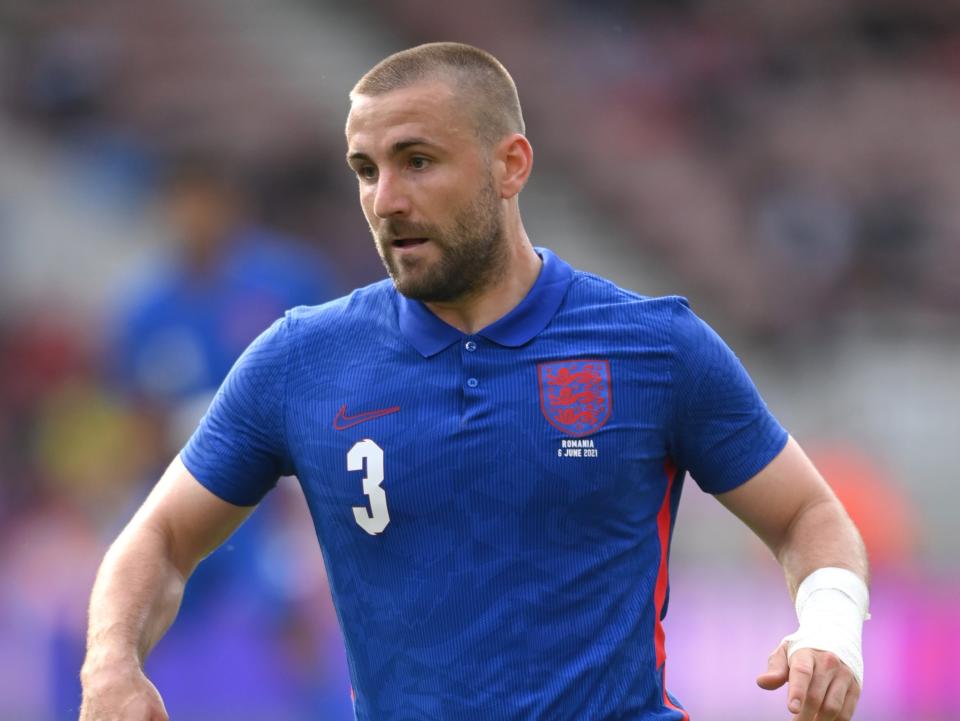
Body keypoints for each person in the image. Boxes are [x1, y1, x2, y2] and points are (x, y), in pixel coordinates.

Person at [79, 42, 870, 721]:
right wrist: (110, 661)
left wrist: (830, 625)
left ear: (510, 165)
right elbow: (158, 536)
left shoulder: (652, 346)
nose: (386, 200)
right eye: (366, 169)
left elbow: (807, 512)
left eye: (417, 161)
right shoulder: (301, 360)